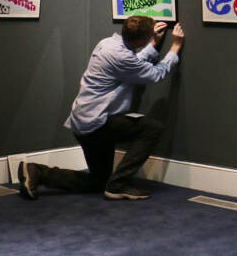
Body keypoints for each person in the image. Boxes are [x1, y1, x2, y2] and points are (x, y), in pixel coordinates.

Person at [17, 16, 184, 201]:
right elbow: (155, 73)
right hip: (97, 123)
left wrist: (152, 42)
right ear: (139, 41)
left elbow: (131, 63)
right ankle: (119, 184)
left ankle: (37, 172)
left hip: (83, 121)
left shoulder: (108, 43)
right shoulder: (121, 56)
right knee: (152, 128)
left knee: (98, 181)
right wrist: (175, 47)